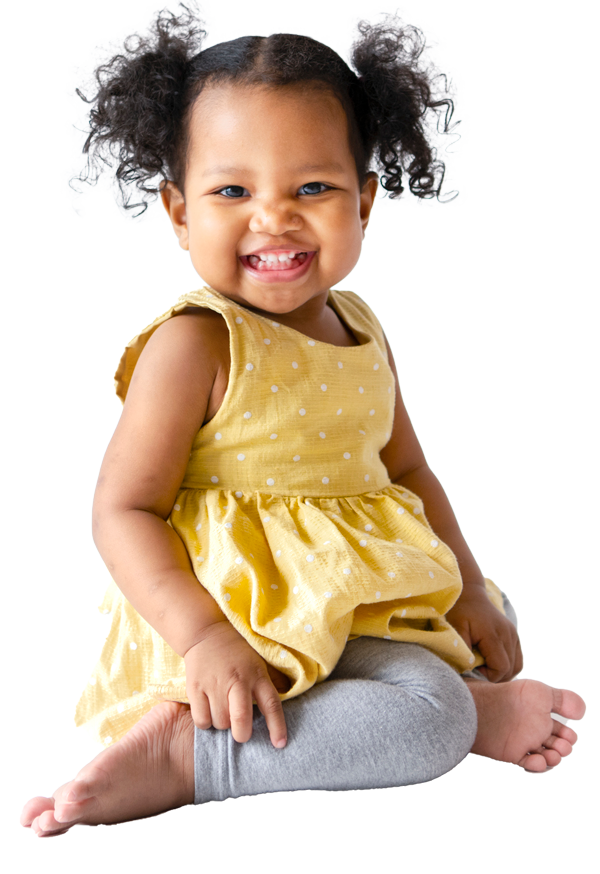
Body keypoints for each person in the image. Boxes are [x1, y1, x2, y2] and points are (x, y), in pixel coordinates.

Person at [20, 2, 585, 836]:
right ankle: (196, 757)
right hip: (236, 609)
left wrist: (465, 585)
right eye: (232, 190)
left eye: (312, 188)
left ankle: (459, 700)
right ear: (180, 211)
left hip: (343, 594)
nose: (274, 216)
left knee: (496, 611)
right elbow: (122, 510)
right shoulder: (196, 343)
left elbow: (408, 471)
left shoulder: (360, 326)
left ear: (365, 200)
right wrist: (206, 638)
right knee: (426, 718)